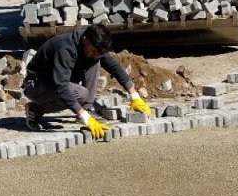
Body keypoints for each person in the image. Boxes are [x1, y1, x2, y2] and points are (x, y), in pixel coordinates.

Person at [22, 23, 150, 140]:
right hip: (36, 84)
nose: (95, 53)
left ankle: (87, 108)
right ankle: (36, 108)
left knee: (95, 60)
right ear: (85, 40)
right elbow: (61, 87)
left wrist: (134, 96)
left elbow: (113, 66)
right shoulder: (65, 48)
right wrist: (86, 119)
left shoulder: (93, 41)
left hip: (57, 80)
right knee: (81, 93)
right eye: (94, 50)